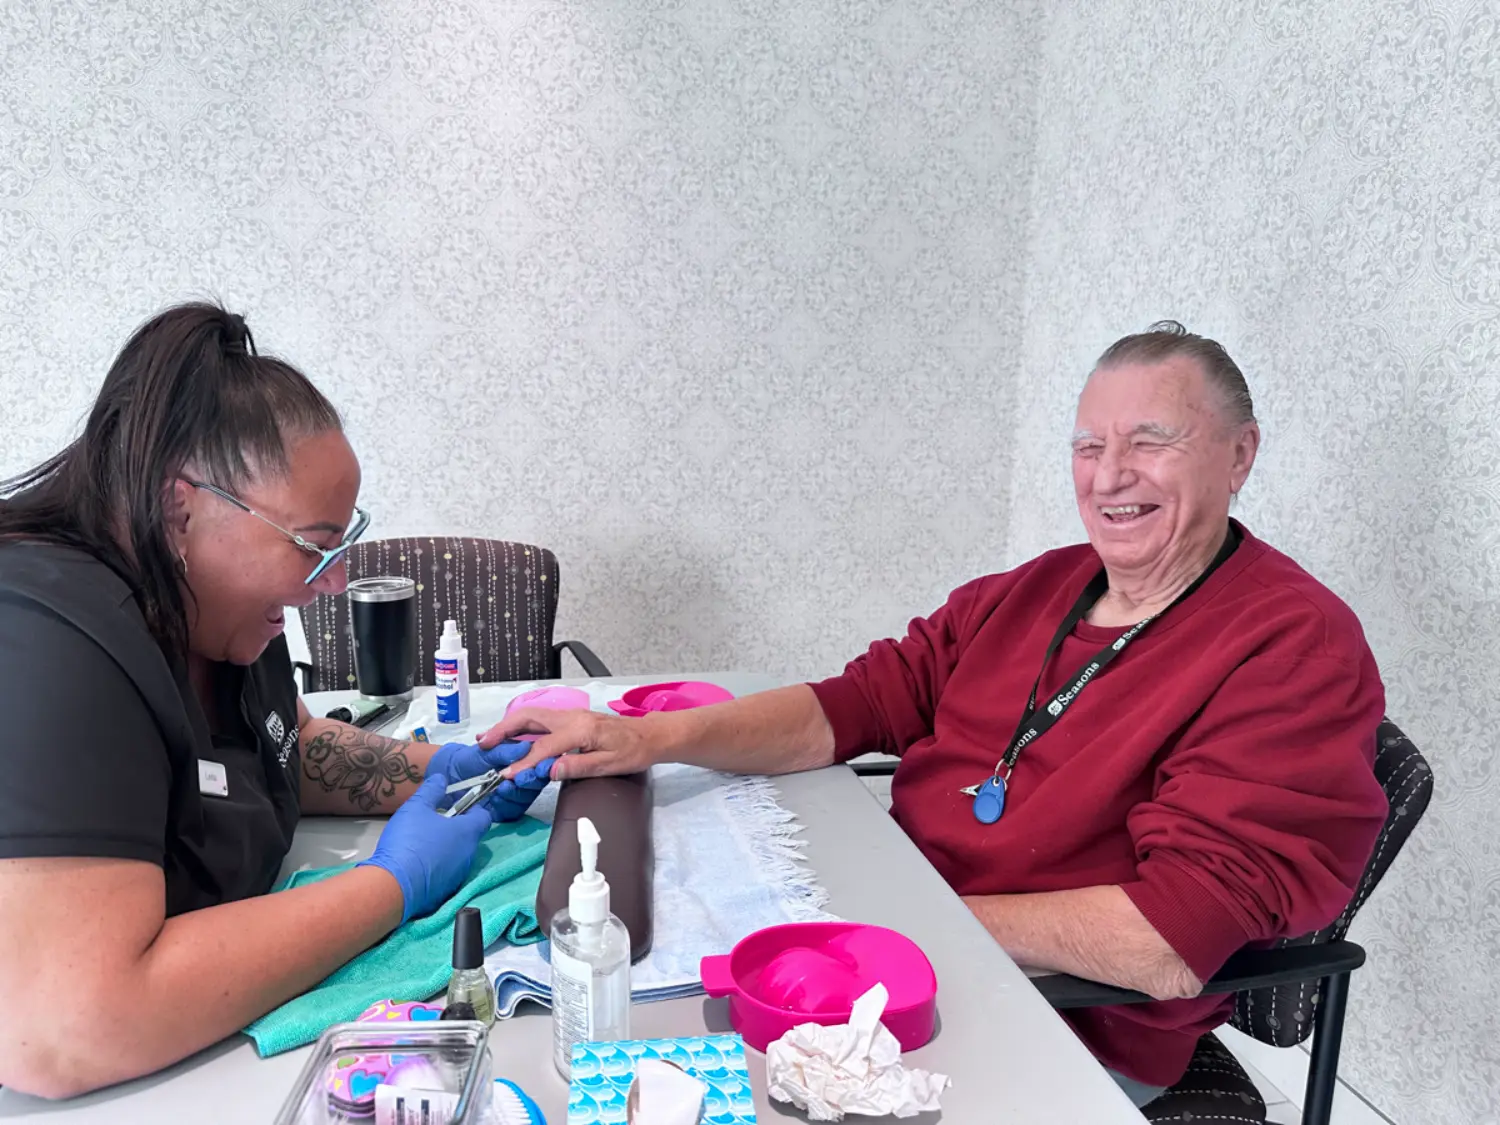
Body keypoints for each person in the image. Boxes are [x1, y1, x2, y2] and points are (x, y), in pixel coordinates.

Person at [482, 322, 1390, 1106]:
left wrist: (901, 926)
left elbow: (1164, 942)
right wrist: (642, 739)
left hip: (1057, 1020)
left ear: (1240, 454)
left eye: (1151, 441)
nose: (1111, 474)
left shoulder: (1292, 645)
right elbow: (853, 706)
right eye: (1087, 446)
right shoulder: (1035, 588)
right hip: (906, 937)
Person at [0, 304, 553, 1097]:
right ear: (178, 508)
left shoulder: (215, 615)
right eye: (312, 545)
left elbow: (281, 742)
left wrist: (457, 767)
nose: (330, 582)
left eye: (341, 544)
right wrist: (391, 885)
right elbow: (64, 1029)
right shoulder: (47, 638)